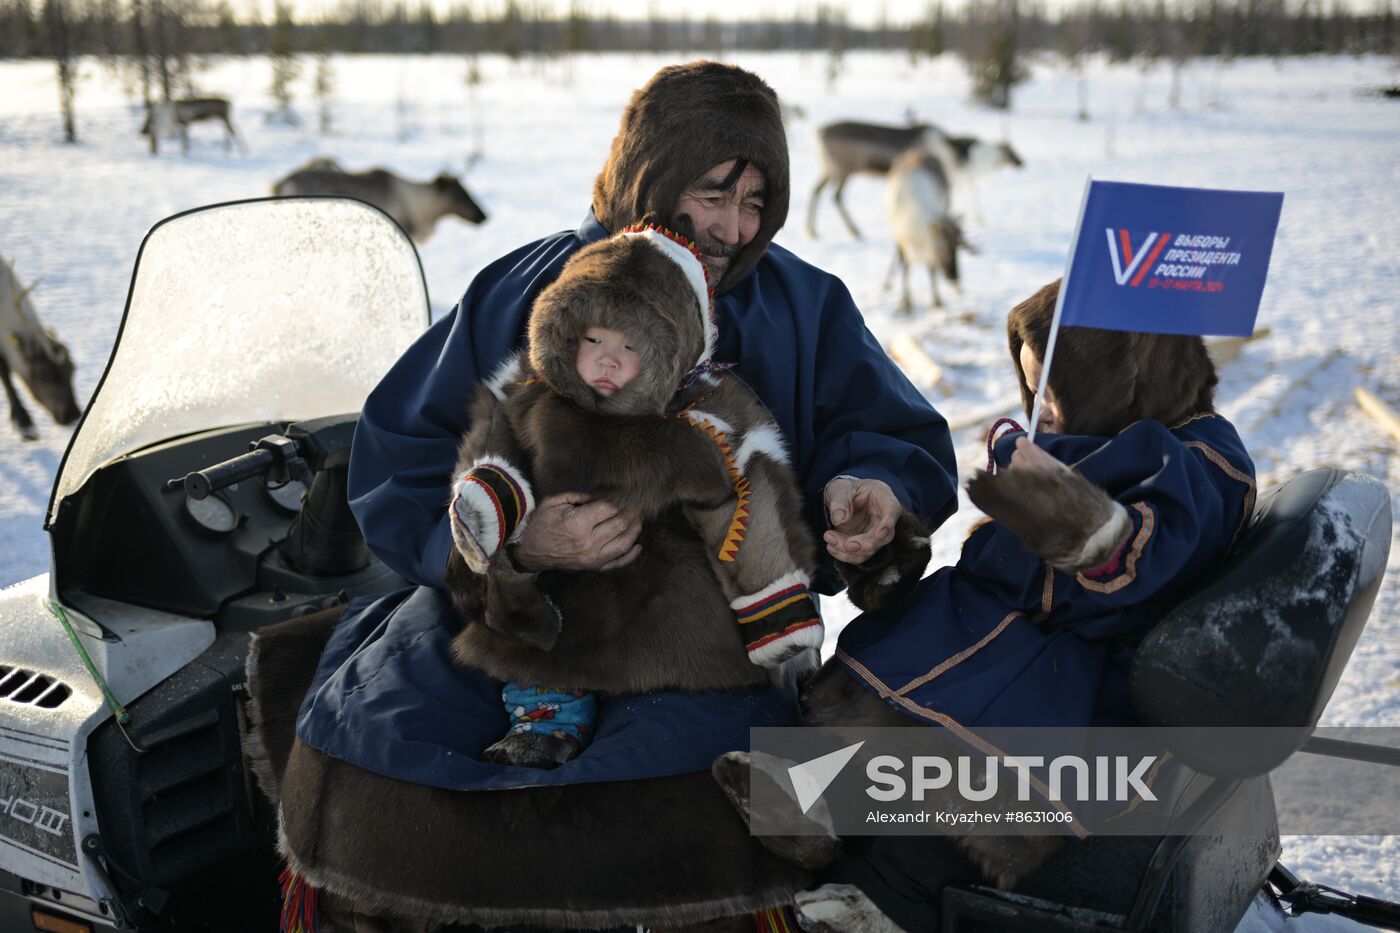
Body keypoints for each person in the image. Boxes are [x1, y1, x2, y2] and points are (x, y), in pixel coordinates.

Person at [258, 60, 959, 929]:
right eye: (713, 192)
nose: (734, 228)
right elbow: (403, 449)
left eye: (755, 203)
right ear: (651, 172)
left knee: (692, 795)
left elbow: (890, 431)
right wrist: (508, 546)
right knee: (382, 745)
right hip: (504, 609)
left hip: (710, 629)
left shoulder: (803, 303)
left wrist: (871, 490)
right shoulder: (529, 286)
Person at [719, 278, 1258, 933]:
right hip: (1017, 643)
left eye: (1055, 397)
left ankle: (880, 903)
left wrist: (1076, 519)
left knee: (954, 796)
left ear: (1119, 382)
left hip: (1075, 686)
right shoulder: (1110, 437)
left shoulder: (1201, 460)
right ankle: (809, 800)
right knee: (897, 708)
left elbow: (1146, 552)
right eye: (1037, 397)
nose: (1045, 418)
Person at [445, 222, 844, 769]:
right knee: (535, 661)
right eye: (593, 341)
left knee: (677, 737)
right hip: (560, 602)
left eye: (631, 346)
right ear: (563, 332)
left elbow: (748, 508)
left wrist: (774, 607)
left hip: (669, 617)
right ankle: (543, 725)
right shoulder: (531, 395)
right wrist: (494, 507)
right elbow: (492, 448)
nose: (607, 361)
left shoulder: (705, 417)